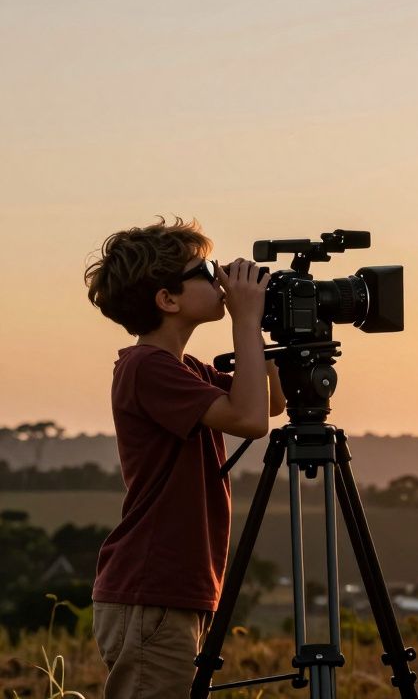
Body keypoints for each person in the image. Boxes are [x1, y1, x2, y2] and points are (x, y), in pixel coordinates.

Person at [83, 217, 285, 697]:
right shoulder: (147, 367)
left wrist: (272, 321)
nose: (220, 281)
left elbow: (270, 404)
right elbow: (251, 419)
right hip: (152, 588)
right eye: (207, 270)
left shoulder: (183, 368)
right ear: (167, 299)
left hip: (171, 588)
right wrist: (245, 320)